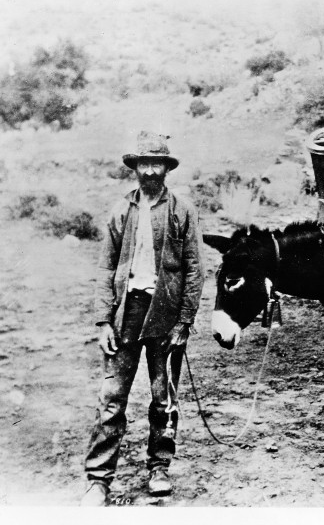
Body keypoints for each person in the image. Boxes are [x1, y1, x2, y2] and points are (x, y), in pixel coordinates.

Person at [81, 131, 205, 506]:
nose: (150, 171)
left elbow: (195, 270)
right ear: (135, 168)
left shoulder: (182, 210)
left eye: (157, 164)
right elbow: (105, 269)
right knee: (112, 398)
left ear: (166, 168)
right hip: (126, 313)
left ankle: (159, 468)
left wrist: (184, 322)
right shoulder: (121, 210)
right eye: (144, 164)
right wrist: (104, 321)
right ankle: (98, 479)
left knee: (163, 398)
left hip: (165, 314)